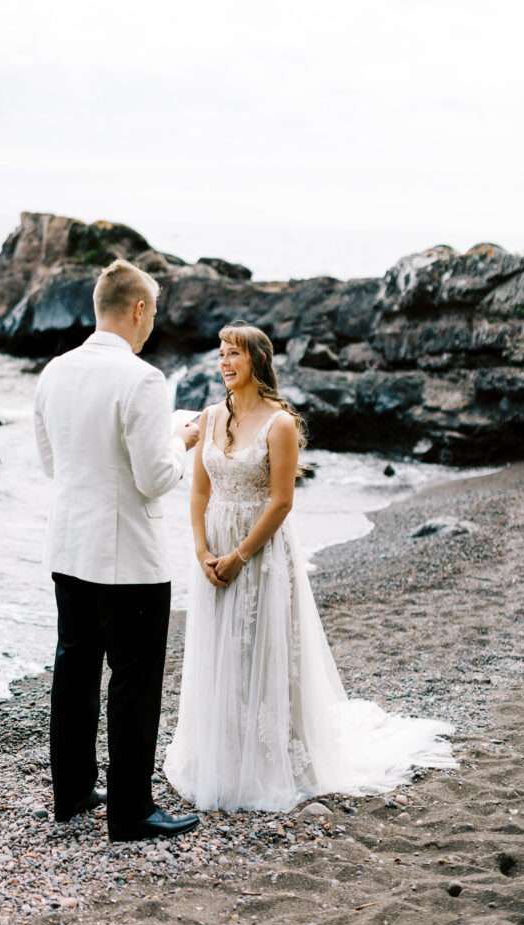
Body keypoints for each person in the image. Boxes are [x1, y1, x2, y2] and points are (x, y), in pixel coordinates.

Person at [163, 322, 457, 811]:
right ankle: (219, 755)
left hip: (259, 552)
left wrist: (238, 557)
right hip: (213, 546)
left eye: (234, 353)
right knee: (220, 650)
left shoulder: (280, 424)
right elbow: (198, 490)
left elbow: (280, 503)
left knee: (261, 647)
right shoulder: (211, 417)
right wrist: (201, 550)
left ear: (257, 360)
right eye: (220, 353)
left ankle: (270, 760)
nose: (224, 362)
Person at [34, 258, 200, 841]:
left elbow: (51, 462)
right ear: (137, 309)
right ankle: (131, 812)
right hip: (129, 556)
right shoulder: (142, 379)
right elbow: (156, 478)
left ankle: (73, 793)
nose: (152, 323)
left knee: (73, 669)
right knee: (133, 679)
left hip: (69, 546)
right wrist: (181, 441)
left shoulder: (54, 370)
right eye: (152, 312)